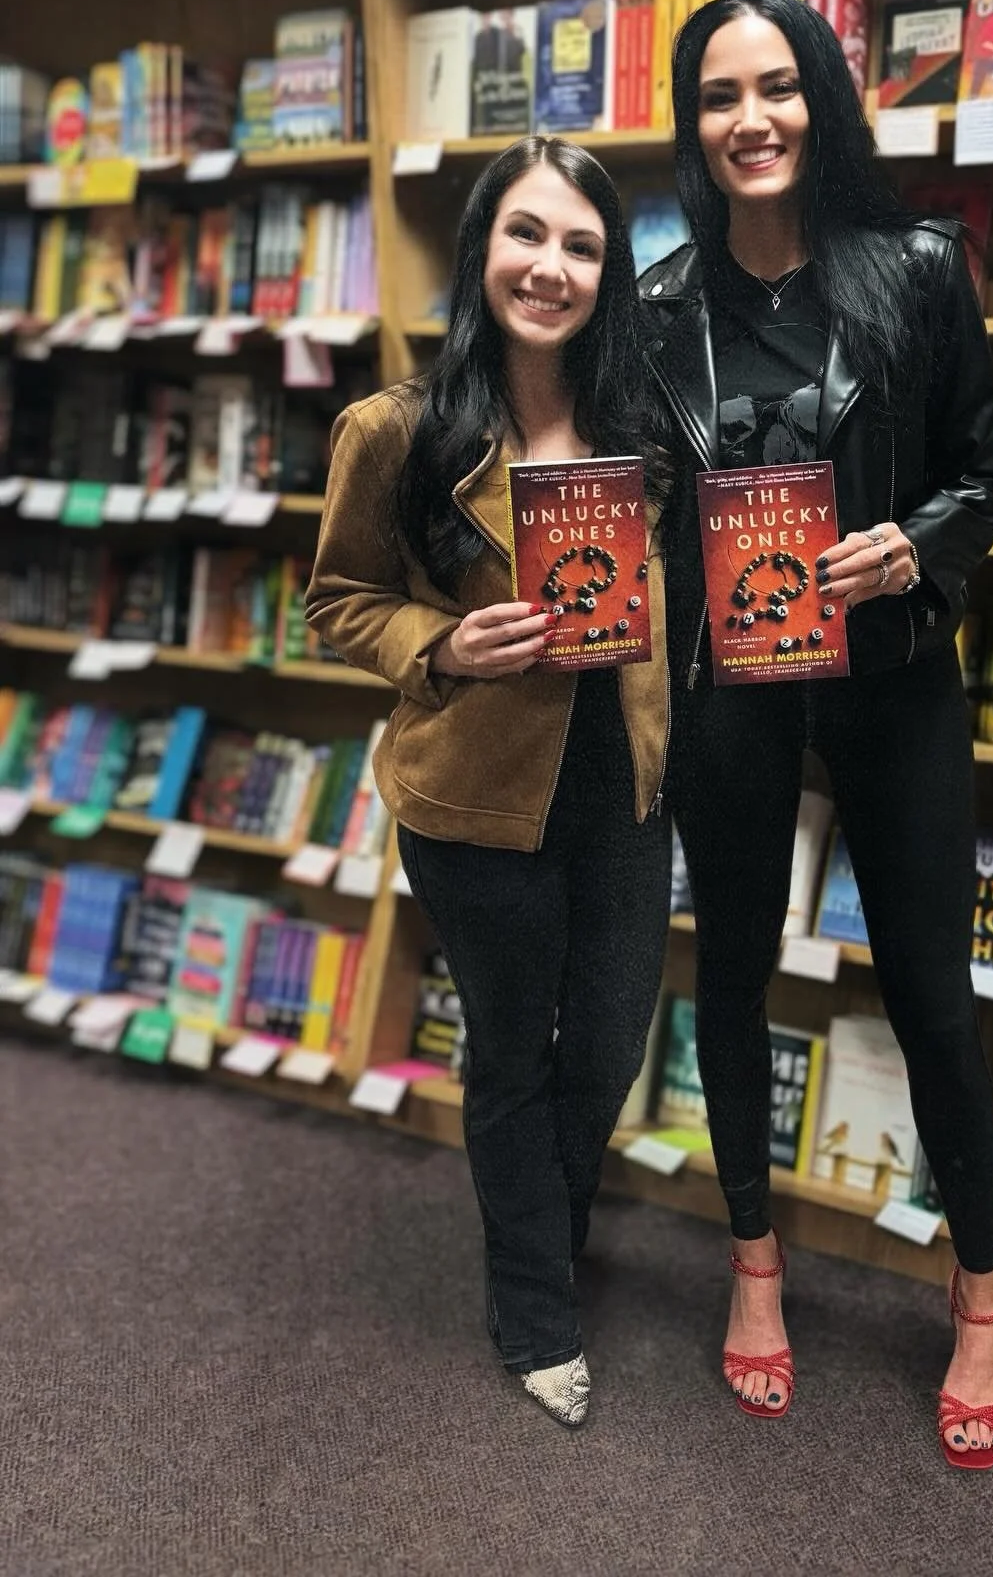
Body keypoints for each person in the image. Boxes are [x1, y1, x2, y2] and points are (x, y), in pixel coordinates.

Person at [640, 0, 993, 1467]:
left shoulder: (916, 268)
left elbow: (985, 474)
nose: (752, 120)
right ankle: (753, 1268)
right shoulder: (657, 309)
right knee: (731, 975)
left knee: (932, 992)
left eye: (778, 86)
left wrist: (913, 545)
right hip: (733, 686)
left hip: (894, 675)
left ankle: (980, 1300)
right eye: (720, 96)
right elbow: (638, 503)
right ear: (694, 125)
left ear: (823, 100)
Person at [306, 137, 671, 1430]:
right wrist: (444, 644)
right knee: (514, 1051)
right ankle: (534, 1307)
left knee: (611, 1042)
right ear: (481, 249)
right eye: (527, 233)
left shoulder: (642, 427)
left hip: (622, 788)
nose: (551, 267)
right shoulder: (395, 431)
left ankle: (543, 1230)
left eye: (582, 245)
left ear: (609, 272)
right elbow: (339, 603)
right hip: (475, 795)